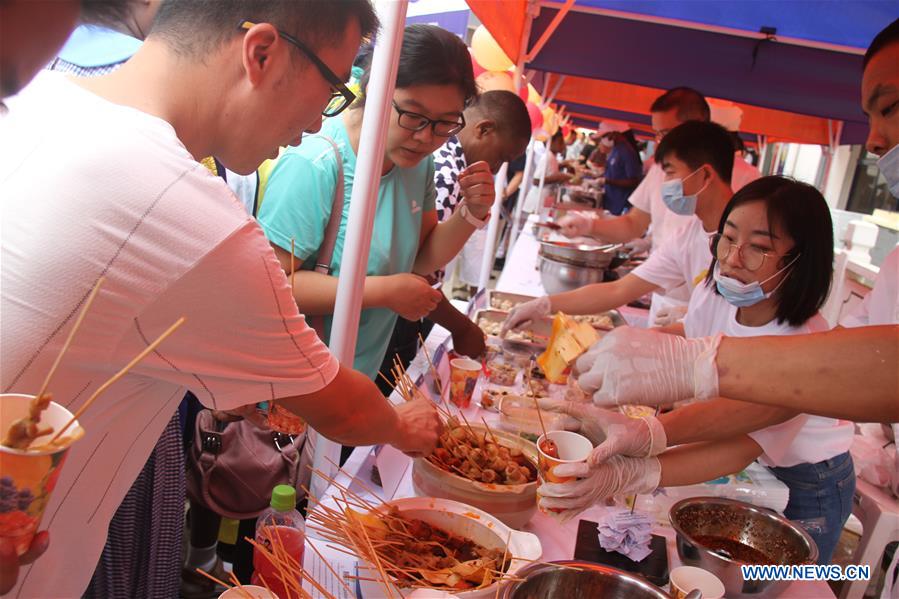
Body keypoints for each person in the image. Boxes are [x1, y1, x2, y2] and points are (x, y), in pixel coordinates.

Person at [1, 3, 446, 597]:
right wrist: (403, 424)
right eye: (333, 88)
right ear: (261, 53)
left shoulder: (36, 99)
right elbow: (341, 409)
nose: (318, 121)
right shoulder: (187, 215)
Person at [571, 19, 899, 424]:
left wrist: (697, 371)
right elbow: (849, 361)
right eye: (725, 241)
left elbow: (771, 409)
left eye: (890, 107)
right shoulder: (712, 278)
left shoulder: (787, 314)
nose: (873, 141)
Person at [541, 177, 855, 563]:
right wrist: (627, 352)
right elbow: (689, 342)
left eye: (759, 247)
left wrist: (637, 465)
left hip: (809, 478)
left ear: (800, 261)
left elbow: (739, 446)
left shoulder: (804, 346)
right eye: (728, 238)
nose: (733, 258)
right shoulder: (717, 291)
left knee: (779, 580)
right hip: (754, 462)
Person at [256, 24, 485, 383]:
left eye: (444, 123)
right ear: (374, 89)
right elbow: (271, 287)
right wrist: (383, 292)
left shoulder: (418, 164)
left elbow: (421, 257)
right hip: (297, 383)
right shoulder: (316, 163)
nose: (425, 137)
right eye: (413, 115)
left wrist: (471, 213)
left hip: (356, 375)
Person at [502, 121, 735, 336]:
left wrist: (690, 321)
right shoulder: (687, 236)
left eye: (671, 173)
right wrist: (545, 305)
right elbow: (619, 290)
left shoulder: (742, 239)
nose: (665, 184)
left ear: (704, 175)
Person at [558, 87, 761, 325]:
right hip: (667, 300)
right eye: (657, 134)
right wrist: (589, 226)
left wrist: (698, 314)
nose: (660, 142)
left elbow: (755, 308)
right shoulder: (686, 234)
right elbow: (631, 235)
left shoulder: (746, 190)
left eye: (665, 132)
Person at [376, 89, 531, 386]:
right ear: (484, 129)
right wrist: (462, 328)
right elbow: (419, 272)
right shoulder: (447, 173)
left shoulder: (448, 162)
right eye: (501, 157)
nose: (496, 169)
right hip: (393, 316)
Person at [593, 120, 642, 215]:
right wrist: (601, 176)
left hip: (620, 204)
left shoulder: (627, 152)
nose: (603, 140)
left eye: (604, 136)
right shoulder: (616, 149)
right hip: (610, 201)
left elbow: (633, 181)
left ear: (614, 134)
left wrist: (607, 181)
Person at [522, 129, 570, 214]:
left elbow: (550, 170)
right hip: (539, 198)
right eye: (560, 142)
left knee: (545, 215)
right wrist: (557, 178)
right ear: (551, 142)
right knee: (536, 218)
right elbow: (536, 181)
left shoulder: (552, 157)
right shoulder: (547, 157)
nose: (563, 145)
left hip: (547, 195)